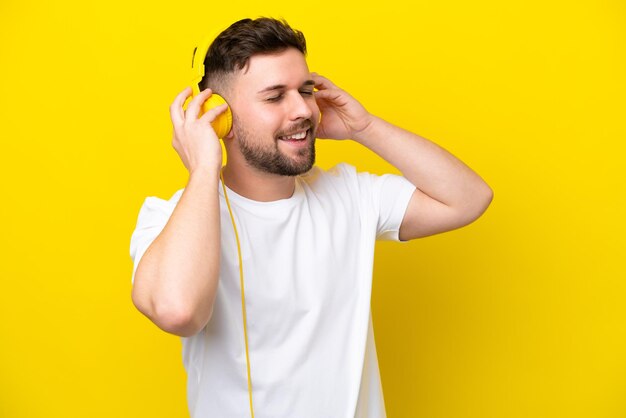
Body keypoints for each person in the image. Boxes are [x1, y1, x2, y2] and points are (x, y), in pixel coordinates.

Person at [129, 17, 493, 418]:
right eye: (275, 97)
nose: (303, 109)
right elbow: (178, 311)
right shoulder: (170, 219)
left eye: (305, 90)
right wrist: (202, 169)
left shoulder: (351, 195)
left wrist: (365, 128)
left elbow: (469, 198)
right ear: (220, 117)